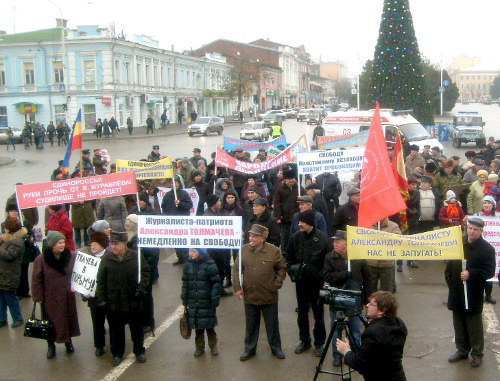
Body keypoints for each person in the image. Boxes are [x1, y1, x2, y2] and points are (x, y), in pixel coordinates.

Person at [445, 217, 495, 368]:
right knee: (458, 322)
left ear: (481, 231)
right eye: (470, 228)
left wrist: (471, 274)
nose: (471, 232)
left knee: (474, 324)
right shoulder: (458, 243)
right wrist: (451, 282)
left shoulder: (487, 249)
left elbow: (489, 271)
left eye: (475, 229)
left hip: (473, 292)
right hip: (457, 291)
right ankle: (462, 350)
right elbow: (449, 266)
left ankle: (477, 353)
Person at [233, 224, 287, 361]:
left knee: (272, 325)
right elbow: (236, 269)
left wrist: (276, 284)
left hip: (269, 295)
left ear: (263, 238)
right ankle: (249, 349)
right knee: (251, 325)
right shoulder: (243, 250)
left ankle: (276, 348)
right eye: (250, 235)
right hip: (250, 295)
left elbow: (282, 268)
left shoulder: (273, 251)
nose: (251, 238)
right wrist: (237, 288)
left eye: (255, 236)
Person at [96, 231, 150, 367]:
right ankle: (117, 353)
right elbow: (101, 280)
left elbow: (146, 273)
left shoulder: (136, 257)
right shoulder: (107, 259)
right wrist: (101, 298)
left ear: (125, 244)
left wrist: (141, 289)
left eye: (116, 244)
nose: (113, 247)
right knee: (115, 331)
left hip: (133, 300)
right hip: (114, 302)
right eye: (112, 244)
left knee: (137, 329)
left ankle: (139, 351)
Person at [285, 210, 333, 357]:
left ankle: (319, 342)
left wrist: (319, 274)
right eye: (299, 221)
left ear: (311, 223)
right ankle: (304, 340)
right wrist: (293, 272)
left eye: (303, 222)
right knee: (302, 313)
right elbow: (289, 258)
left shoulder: (323, 239)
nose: (299, 224)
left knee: (318, 314)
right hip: (301, 283)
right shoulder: (295, 238)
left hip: (316, 283)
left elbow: (328, 262)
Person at [323, 230, 372, 366]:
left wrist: (368, 299)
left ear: (346, 242)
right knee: (336, 329)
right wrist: (344, 274)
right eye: (334, 241)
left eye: (338, 241)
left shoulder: (357, 257)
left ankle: (357, 354)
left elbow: (367, 278)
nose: (335, 244)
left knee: (355, 329)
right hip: (337, 298)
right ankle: (337, 356)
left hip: (354, 299)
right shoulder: (329, 257)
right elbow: (327, 276)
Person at [336, 291, 407, 381]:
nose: (367, 305)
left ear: (382, 310)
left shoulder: (372, 333)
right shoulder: (399, 324)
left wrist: (346, 351)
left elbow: (360, 364)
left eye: (372, 304)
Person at [32, 231, 80, 359]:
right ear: (52, 244)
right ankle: (51, 346)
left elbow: (80, 272)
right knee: (50, 323)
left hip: (66, 296)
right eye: (59, 242)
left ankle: (68, 342)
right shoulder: (41, 259)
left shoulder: (71, 256)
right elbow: (36, 279)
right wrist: (38, 297)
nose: (62, 245)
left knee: (67, 320)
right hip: (50, 298)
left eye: (63, 242)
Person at [182, 248, 222, 357]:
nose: (191, 253)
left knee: (209, 325)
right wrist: (184, 298)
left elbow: (216, 283)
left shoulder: (210, 266)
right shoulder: (188, 265)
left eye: (194, 251)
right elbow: (185, 283)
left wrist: (214, 298)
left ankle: (213, 345)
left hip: (207, 301)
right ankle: (199, 347)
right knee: (198, 326)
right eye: (190, 251)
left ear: (201, 252)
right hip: (193, 301)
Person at [82, 232, 110, 357]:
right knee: (97, 324)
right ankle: (99, 346)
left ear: (103, 245)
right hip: (94, 298)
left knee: (113, 323)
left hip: (109, 297)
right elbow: (82, 278)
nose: (92, 247)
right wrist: (83, 293)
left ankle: (115, 345)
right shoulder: (87, 258)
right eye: (91, 244)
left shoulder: (110, 258)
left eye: (95, 244)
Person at [0, 217, 26, 329]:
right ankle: (2, 319)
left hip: (10, 274)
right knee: (1, 298)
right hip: (2, 273)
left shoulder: (18, 241)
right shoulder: (6, 239)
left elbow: (9, 255)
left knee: (11, 297)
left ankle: (18, 318)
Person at [161, 176, 193, 265]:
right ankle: (180, 257)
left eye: (176, 182)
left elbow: (189, 205)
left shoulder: (184, 194)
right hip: (172, 221)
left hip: (183, 220)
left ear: (179, 183)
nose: (174, 184)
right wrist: (167, 216)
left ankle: (186, 257)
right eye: (172, 183)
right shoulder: (167, 195)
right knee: (175, 240)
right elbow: (163, 207)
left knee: (184, 239)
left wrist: (180, 203)